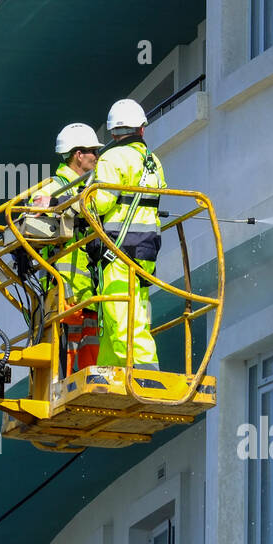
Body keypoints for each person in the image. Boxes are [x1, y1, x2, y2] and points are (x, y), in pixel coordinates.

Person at [88, 98, 166, 370]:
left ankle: (145, 371)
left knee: (120, 313)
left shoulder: (112, 157)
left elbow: (101, 202)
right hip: (146, 249)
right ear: (141, 129)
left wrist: (78, 204)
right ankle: (110, 371)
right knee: (132, 311)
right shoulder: (153, 161)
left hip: (118, 251)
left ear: (112, 133)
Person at [32, 122, 102, 372]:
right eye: (93, 151)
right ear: (78, 154)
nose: (97, 156)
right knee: (67, 361)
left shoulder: (89, 187)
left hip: (88, 293)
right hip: (64, 291)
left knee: (90, 357)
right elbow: (34, 224)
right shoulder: (51, 188)